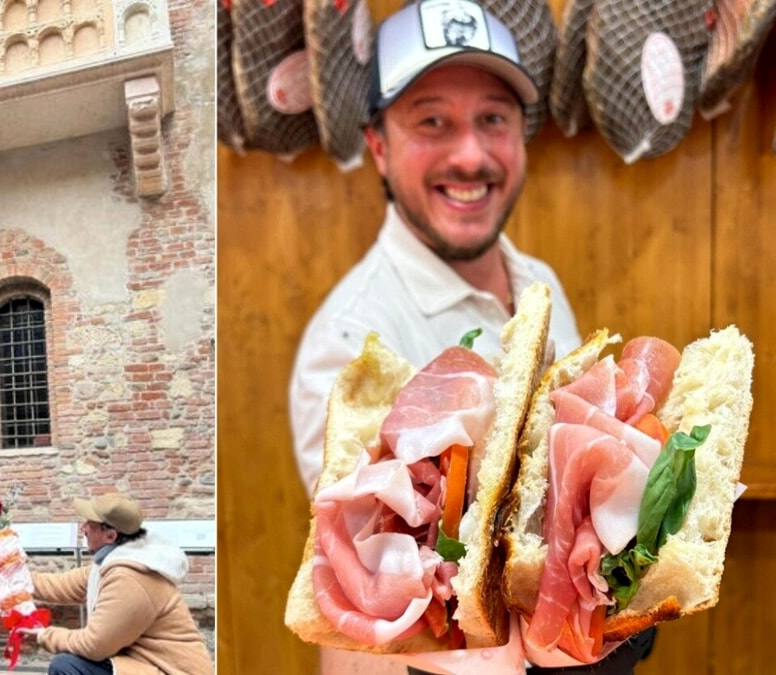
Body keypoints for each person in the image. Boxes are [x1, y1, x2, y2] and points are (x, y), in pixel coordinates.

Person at [287, 1, 653, 673]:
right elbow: (365, 609)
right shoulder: (348, 343)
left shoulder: (538, 281)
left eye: (493, 119)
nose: (470, 154)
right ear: (379, 147)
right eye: (432, 121)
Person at [20, 492, 213, 675]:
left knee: (66, 667)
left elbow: (93, 645)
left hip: (171, 671)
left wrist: (42, 634)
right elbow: (60, 585)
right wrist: (11, 577)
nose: (83, 528)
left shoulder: (130, 578)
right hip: (144, 665)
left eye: (90, 524)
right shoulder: (112, 564)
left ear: (110, 536)